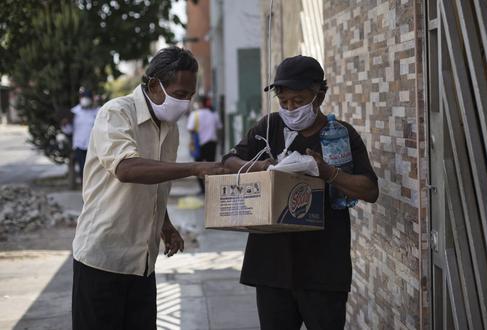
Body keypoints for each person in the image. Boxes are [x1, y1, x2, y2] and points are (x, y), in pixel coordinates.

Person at [71, 46, 228, 330]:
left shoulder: (170, 128)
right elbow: (127, 169)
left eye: (190, 96)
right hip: (103, 259)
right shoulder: (116, 114)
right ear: (155, 85)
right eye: (180, 95)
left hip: (143, 262)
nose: (185, 104)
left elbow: (155, 181)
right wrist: (194, 168)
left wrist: (165, 224)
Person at [223, 55, 379, 329]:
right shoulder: (267, 128)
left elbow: (370, 189)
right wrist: (261, 165)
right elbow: (229, 161)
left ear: (318, 97)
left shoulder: (341, 135)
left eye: (299, 101)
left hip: (323, 269)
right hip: (272, 267)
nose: (290, 108)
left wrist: (328, 172)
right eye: (284, 102)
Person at [62, 88, 100, 182]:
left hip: (95, 146)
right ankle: (85, 192)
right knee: (83, 170)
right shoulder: (75, 112)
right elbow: (69, 131)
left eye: (87, 98)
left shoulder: (98, 111)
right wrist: (65, 124)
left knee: (95, 171)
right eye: (83, 97)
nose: (85, 100)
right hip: (79, 146)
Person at [187, 95, 222, 194]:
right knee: (212, 166)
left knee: (197, 167)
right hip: (212, 143)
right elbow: (219, 127)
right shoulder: (214, 114)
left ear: (201, 103)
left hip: (199, 144)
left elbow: (190, 128)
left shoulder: (195, 114)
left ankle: (203, 189)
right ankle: (211, 188)